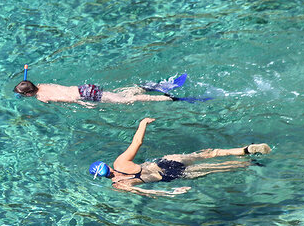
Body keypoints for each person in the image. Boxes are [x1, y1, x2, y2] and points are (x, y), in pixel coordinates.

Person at [89, 117, 270, 197]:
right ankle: (245, 149)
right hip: (165, 162)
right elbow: (137, 143)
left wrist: (172, 192)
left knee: (218, 167)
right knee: (210, 153)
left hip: (169, 176)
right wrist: (143, 123)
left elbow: (148, 193)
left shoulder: (120, 185)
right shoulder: (119, 162)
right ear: (108, 166)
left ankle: (250, 163)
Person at [15, 78, 180, 106]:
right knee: (118, 94)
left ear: (29, 94)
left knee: (127, 100)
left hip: (84, 95)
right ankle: (146, 87)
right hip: (84, 88)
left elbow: (63, 98)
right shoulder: (43, 85)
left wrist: (81, 103)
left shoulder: (42, 97)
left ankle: (164, 98)